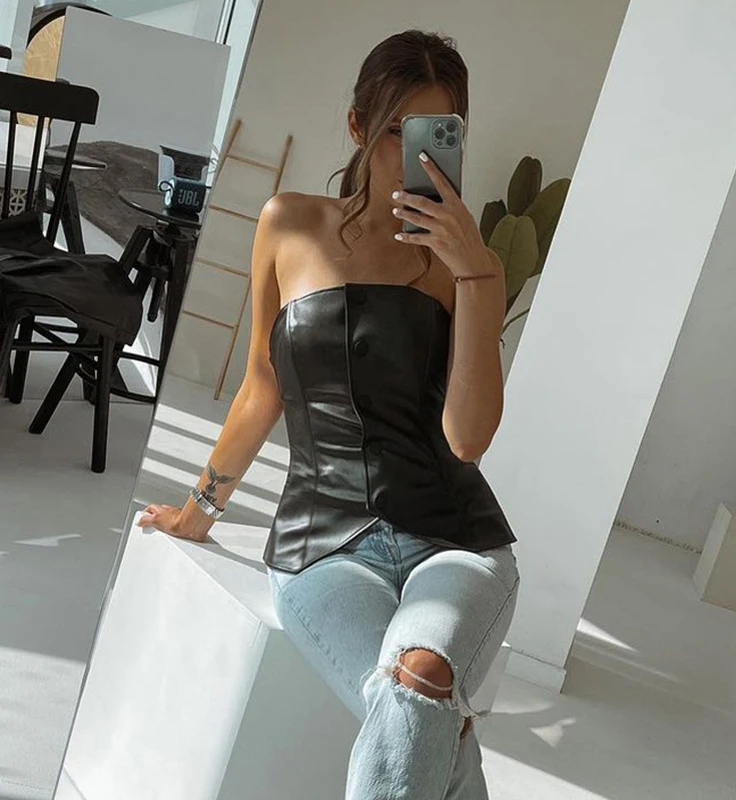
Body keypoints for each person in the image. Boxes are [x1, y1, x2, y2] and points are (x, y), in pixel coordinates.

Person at [137, 28, 520, 800]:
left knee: (420, 676)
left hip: (455, 538)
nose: (411, 155)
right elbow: (262, 386)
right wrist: (198, 510)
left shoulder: (468, 266)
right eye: (395, 130)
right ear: (357, 125)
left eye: (435, 132)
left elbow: (467, 439)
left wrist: (476, 275)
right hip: (321, 546)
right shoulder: (288, 223)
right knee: (426, 707)